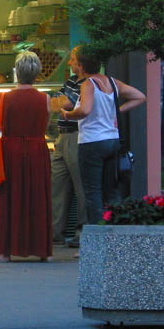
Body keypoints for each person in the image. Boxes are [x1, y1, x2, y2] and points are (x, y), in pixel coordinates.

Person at [59, 46, 146, 224]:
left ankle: (97, 239)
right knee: (112, 190)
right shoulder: (112, 82)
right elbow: (140, 97)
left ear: (82, 66)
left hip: (92, 143)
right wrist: (117, 111)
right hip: (112, 141)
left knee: (93, 193)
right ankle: (115, 233)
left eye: (75, 62)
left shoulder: (88, 84)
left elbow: (85, 110)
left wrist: (68, 115)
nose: (72, 65)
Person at [0, 51, 53, 262]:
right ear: (37, 73)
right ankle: (43, 251)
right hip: (37, 150)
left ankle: (5, 251)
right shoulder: (46, 98)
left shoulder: (5, 98)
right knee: (39, 198)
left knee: (11, 198)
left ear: (17, 71)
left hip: (12, 152)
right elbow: (46, 123)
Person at [49, 56, 87, 247]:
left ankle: (82, 234)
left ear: (81, 63)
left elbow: (68, 105)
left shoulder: (88, 84)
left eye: (72, 60)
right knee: (58, 186)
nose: (69, 63)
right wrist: (60, 103)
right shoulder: (71, 82)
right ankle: (56, 232)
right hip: (62, 136)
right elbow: (55, 104)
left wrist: (61, 103)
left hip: (76, 136)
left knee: (81, 186)